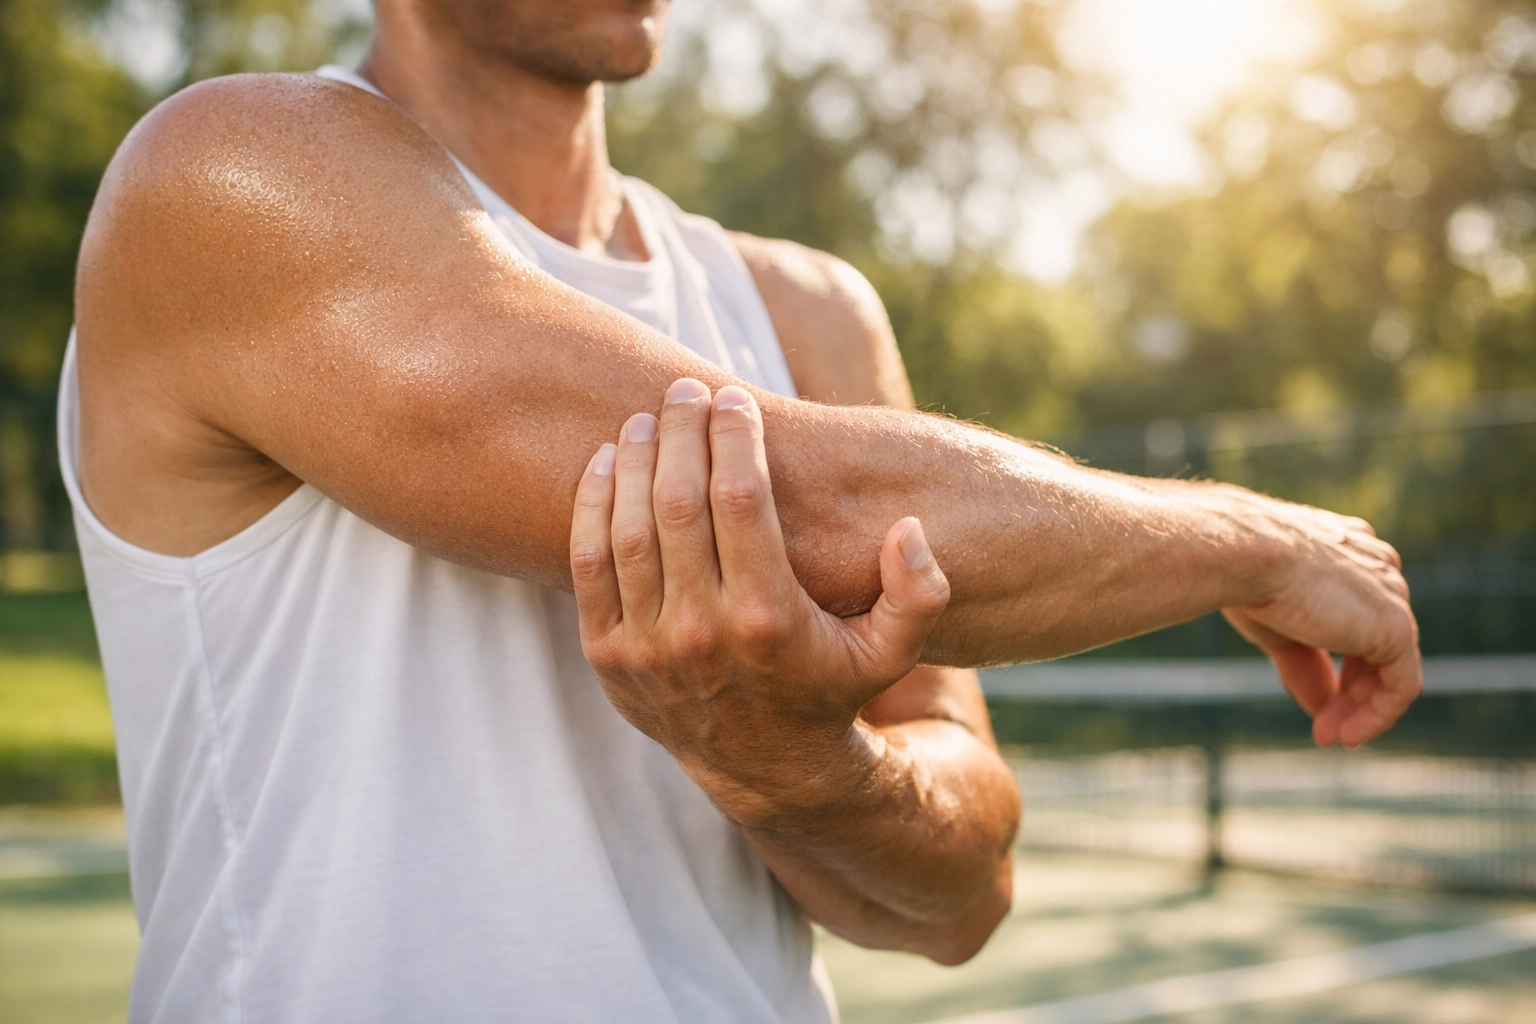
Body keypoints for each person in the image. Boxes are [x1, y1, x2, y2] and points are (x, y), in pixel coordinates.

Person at [64, 0, 1420, 1020]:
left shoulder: (811, 317)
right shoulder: (226, 175)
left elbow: (961, 896)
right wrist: (1259, 541)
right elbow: (810, 505)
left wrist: (797, 770)